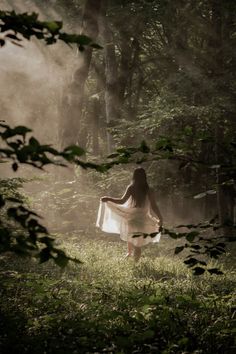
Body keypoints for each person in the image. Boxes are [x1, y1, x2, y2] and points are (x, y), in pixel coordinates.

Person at [96, 167, 163, 261]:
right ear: (144, 177)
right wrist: (160, 217)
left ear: (134, 177)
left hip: (132, 216)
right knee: (137, 242)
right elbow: (154, 206)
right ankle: (133, 258)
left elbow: (121, 201)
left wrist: (108, 198)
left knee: (131, 236)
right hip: (142, 218)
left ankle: (130, 254)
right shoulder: (149, 190)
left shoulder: (131, 188)